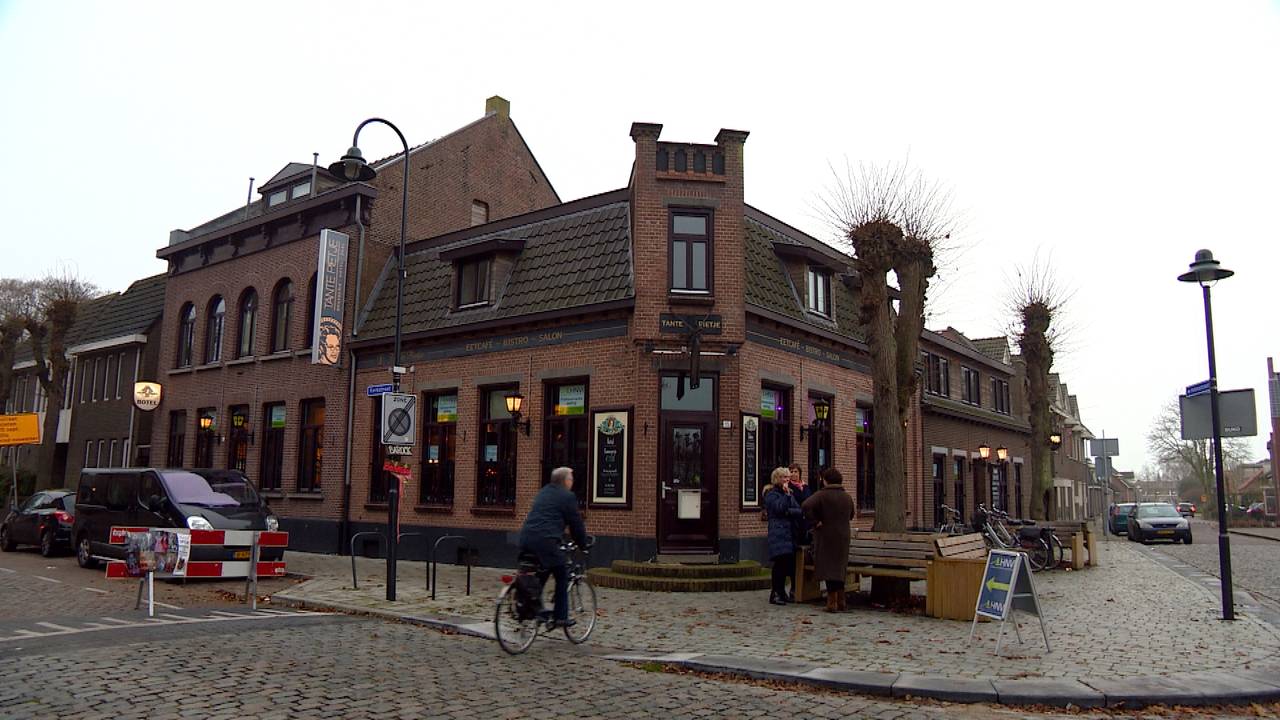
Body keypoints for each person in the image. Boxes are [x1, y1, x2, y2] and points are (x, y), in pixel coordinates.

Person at [518, 466, 588, 628]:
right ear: (565, 481)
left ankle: (535, 607)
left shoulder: (543, 492)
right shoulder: (567, 496)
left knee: (542, 571)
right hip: (546, 542)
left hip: (526, 539)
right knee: (562, 574)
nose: (572, 482)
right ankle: (560, 617)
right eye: (571, 479)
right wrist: (583, 544)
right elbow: (576, 525)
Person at [803, 467, 855, 612]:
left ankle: (832, 602)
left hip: (826, 536)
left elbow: (805, 505)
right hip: (843, 536)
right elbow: (851, 514)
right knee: (839, 568)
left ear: (826, 480)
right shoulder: (847, 497)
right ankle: (842, 600)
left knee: (828, 568)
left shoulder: (822, 495)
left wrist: (815, 521)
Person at [763, 466, 803, 606]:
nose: (787, 479)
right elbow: (779, 508)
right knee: (779, 564)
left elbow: (799, 510)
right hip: (778, 533)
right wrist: (786, 500)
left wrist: (788, 511)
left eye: (787, 477)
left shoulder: (789, 494)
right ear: (777, 479)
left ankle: (782, 592)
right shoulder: (771, 494)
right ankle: (775, 593)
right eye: (784, 477)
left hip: (789, 534)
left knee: (787, 564)